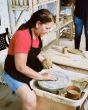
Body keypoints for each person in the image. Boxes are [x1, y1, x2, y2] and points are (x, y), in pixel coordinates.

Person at [2, 9, 57, 110]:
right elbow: (20, 67)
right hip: (13, 72)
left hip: (25, 66)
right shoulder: (23, 35)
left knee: (51, 76)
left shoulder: (36, 32)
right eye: (47, 28)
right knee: (30, 99)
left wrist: (42, 59)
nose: (48, 31)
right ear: (38, 23)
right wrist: (42, 77)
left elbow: (32, 50)